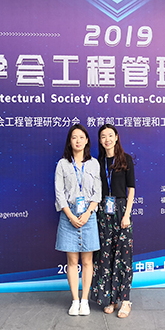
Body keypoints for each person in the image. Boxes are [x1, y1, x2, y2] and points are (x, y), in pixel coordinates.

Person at [55, 124, 101, 316]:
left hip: (88, 214)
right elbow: (59, 193)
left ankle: (85, 300)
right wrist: (71, 216)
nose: (78, 141)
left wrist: (88, 213)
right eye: (74, 137)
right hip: (69, 215)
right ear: (70, 141)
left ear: (87, 140)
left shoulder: (94, 163)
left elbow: (97, 193)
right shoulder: (62, 164)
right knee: (72, 261)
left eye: (81, 137)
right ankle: (75, 301)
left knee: (88, 261)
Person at [90, 124, 135, 318]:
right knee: (105, 256)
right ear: (100, 141)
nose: (107, 139)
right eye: (103, 136)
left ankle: (125, 300)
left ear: (116, 137)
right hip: (103, 211)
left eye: (110, 135)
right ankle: (110, 299)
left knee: (123, 256)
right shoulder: (97, 162)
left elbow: (131, 190)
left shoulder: (126, 159)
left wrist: (126, 215)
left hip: (121, 210)